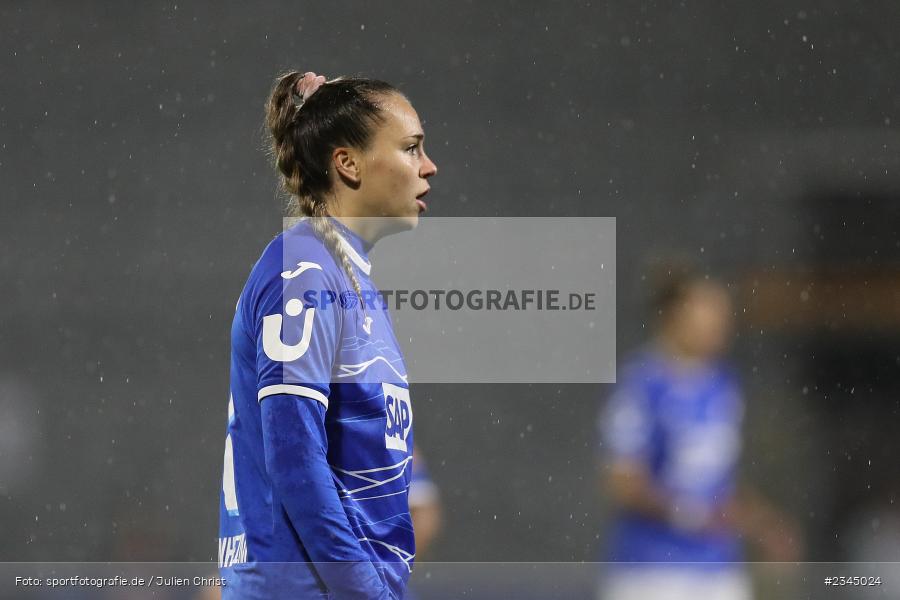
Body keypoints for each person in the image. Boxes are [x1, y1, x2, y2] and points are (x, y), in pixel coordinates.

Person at [217, 71, 437, 599]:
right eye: (411, 148)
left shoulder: (345, 278)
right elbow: (294, 459)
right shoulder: (305, 270)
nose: (428, 166)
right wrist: (366, 591)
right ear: (348, 163)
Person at [597, 269, 801, 600]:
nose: (720, 323)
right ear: (673, 317)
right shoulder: (643, 383)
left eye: (722, 312)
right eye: (707, 311)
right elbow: (621, 481)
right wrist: (687, 513)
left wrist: (764, 524)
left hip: (716, 568)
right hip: (652, 571)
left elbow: (718, 482)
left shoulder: (723, 385)